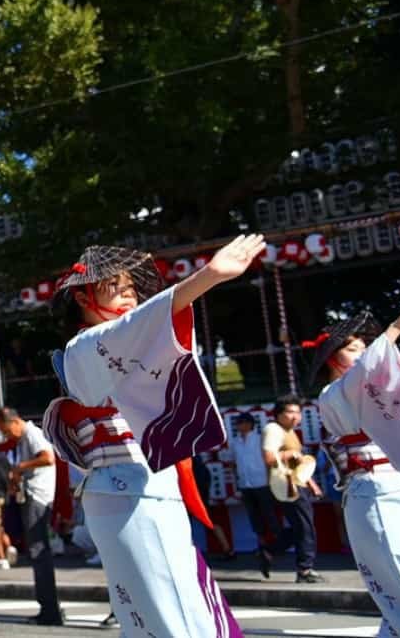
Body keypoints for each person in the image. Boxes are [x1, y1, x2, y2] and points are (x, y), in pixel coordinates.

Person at [43, 238, 260, 637]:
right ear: (83, 298)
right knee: (175, 613)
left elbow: (145, 331)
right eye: (116, 288)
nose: (129, 295)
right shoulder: (84, 347)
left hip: (134, 490)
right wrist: (208, 277)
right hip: (131, 492)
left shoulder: (118, 347)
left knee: (156, 611)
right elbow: (140, 325)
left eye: (131, 288)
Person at [310, 300, 400, 635]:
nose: (362, 354)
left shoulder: (363, 391)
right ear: (332, 358)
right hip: (375, 492)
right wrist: (396, 329)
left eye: (364, 348)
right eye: (352, 349)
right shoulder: (333, 394)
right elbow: (367, 370)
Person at [0, 407, 63, 626]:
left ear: (15, 422)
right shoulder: (24, 438)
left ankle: (50, 610)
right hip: (33, 496)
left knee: (38, 551)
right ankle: (49, 607)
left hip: (37, 497)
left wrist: (20, 468)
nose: (8, 436)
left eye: (7, 431)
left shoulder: (32, 434)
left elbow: (48, 458)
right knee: (37, 552)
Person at [262, 394, 325, 583]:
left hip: (297, 483)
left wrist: (312, 484)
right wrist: (289, 453)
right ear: (278, 414)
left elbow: (298, 464)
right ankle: (305, 569)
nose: (295, 416)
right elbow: (269, 458)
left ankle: (269, 551)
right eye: (290, 412)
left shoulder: (289, 432)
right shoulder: (273, 429)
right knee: (305, 526)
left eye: (298, 412)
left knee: (301, 526)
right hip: (286, 485)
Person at [229, 413, 278, 570]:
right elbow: (234, 462)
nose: (239, 425)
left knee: (269, 514)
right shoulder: (235, 442)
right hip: (245, 484)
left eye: (242, 422)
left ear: (250, 424)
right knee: (254, 516)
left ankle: (277, 545)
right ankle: (262, 546)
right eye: (238, 423)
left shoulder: (260, 439)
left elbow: (269, 459)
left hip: (262, 482)